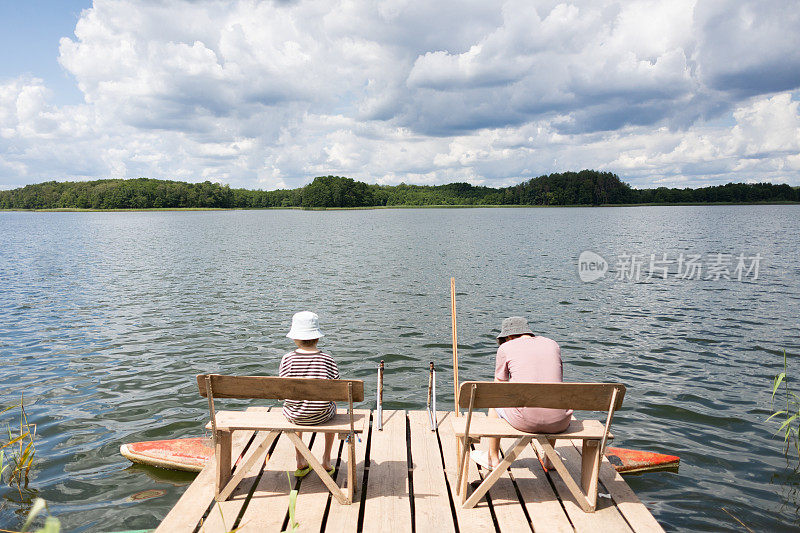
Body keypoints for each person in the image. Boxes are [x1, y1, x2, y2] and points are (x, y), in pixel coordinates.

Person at [471, 316, 572, 470]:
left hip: (525, 421)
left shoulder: (506, 348)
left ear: (509, 336)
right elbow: (557, 383)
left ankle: (492, 457)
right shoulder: (553, 345)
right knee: (553, 398)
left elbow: (498, 390)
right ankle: (550, 458)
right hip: (559, 422)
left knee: (495, 400)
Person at [279, 311, 339, 477]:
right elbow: (336, 389)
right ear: (317, 337)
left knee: (296, 403)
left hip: (294, 416)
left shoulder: (287, 359)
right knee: (332, 405)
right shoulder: (327, 359)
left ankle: (300, 460)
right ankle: (326, 461)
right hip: (322, 416)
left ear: (295, 338)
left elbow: (281, 389)